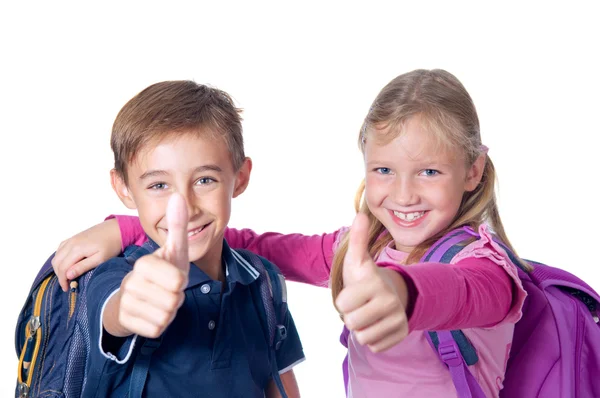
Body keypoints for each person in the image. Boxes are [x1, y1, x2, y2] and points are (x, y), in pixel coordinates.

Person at [54, 69, 526, 397]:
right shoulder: (358, 250)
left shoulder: (486, 265)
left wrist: (402, 291)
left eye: (429, 172)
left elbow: (466, 294)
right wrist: (131, 227)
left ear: (472, 170)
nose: (403, 195)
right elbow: (242, 243)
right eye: (384, 169)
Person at [80, 80, 304, 397]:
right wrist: (128, 307)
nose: (184, 207)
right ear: (124, 188)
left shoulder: (264, 281)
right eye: (159, 185)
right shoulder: (115, 277)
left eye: (204, 180)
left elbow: (279, 384)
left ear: (239, 177)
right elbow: (116, 310)